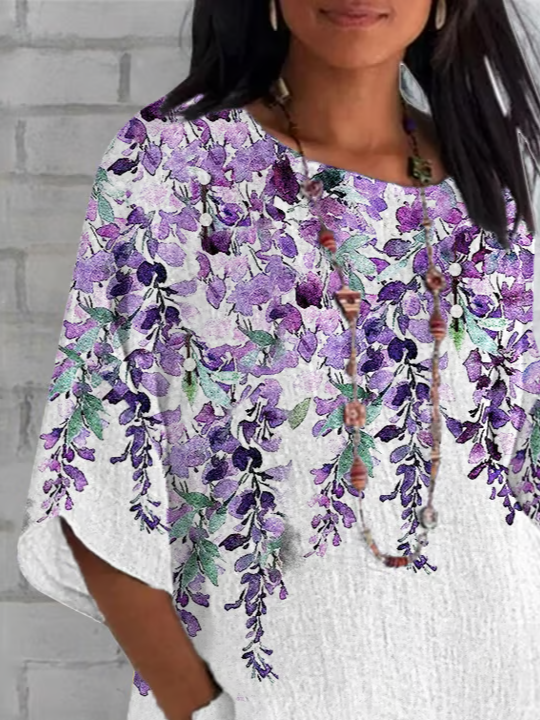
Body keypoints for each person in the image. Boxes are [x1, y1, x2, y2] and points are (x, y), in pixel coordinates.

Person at [16, 0, 540, 718]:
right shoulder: (172, 167)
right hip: (274, 695)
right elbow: (95, 485)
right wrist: (197, 707)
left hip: (502, 679)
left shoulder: (491, 184)